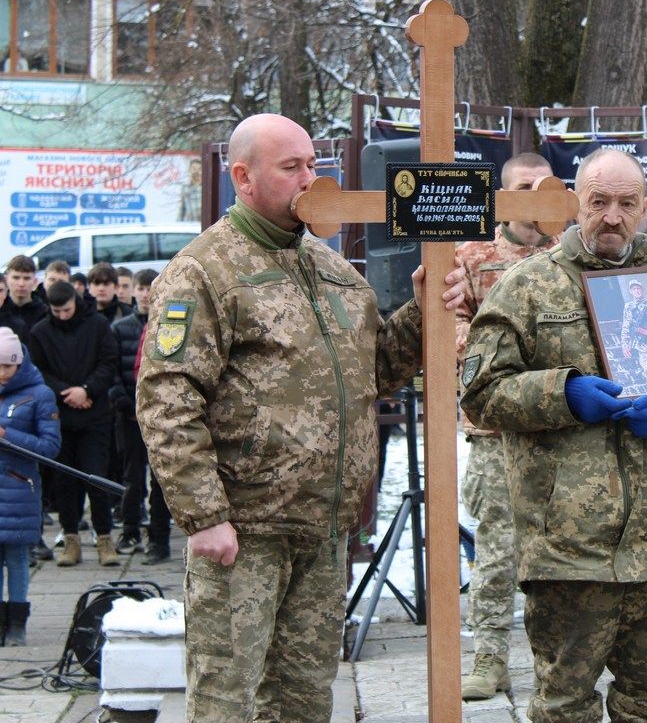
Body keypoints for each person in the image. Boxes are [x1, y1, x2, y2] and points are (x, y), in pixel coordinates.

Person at [136, 112, 464, 723]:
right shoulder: (205, 270)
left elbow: (376, 370)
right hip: (244, 534)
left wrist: (423, 312)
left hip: (323, 529)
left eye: (314, 165)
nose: (310, 180)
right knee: (225, 701)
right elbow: (167, 397)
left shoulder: (333, 270)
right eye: (292, 168)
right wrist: (205, 516)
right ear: (243, 176)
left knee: (305, 702)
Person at [460, 147, 647, 723]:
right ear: (575, 205)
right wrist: (562, 394)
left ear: (644, 210)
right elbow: (482, 391)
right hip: (568, 545)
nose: (611, 216)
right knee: (564, 705)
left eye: (626, 204)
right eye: (598, 202)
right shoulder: (527, 287)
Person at [457, 153, 560, 701]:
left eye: (542, 188)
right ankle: (489, 657)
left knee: (558, 553)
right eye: (522, 188)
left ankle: (554, 663)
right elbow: (452, 325)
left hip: (560, 432)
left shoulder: (570, 256)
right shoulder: (472, 256)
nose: (532, 198)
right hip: (497, 433)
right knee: (496, 549)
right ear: (502, 194)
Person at [28, 281, 119, 567]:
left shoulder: (98, 325)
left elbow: (109, 362)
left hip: (95, 415)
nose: (62, 315)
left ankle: (104, 539)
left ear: (76, 302)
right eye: (56, 311)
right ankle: (70, 540)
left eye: (66, 310)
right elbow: (39, 370)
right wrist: (67, 393)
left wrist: (88, 390)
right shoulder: (41, 331)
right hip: (61, 416)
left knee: (98, 477)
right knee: (65, 481)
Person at [0, 327, 61, 646]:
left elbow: (50, 447)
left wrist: (7, 437)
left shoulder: (40, 394)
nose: (1, 374)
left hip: (18, 489)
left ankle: (17, 624)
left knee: (17, 558)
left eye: (6, 367)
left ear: (18, 364)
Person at [111, 269, 169, 562]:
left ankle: (159, 539)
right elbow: (113, 371)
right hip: (130, 416)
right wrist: (126, 403)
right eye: (141, 288)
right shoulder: (121, 328)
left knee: (161, 480)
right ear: (134, 291)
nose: (145, 294)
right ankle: (130, 529)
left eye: (150, 288)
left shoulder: (169, 324)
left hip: (160, 417)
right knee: (132, 477)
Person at [2, 256, 47, 333]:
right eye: (16, 278)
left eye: (27, 278)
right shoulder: (1, 311)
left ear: (35, 281)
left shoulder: (45, 314)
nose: (21, 284)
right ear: (6, 280)